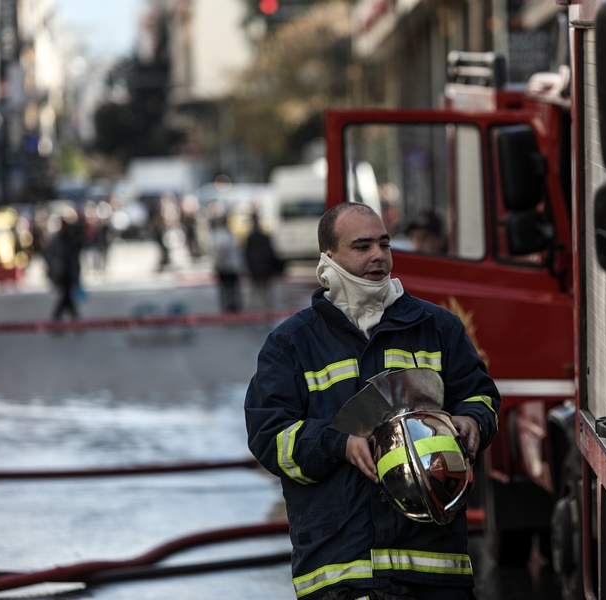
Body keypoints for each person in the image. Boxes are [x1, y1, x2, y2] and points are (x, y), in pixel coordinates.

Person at [245, 202, 500, 600]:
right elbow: (269, 438)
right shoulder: (292, 345)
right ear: (329, 257)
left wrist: (472, 421)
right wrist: (338, 444)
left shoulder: (437, 327)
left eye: (384, 244)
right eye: (362, 246)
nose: (378, 255)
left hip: (433, 567)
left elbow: (480, 396)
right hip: (342, 571)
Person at [44, 217, 83, 323]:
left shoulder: (71, 239)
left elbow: (76, 252)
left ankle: (61, 318)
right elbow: (49, 254)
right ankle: (71, 318)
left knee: (67, 296)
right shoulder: (57, 240)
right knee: (66, 296)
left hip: (69, 273)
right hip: (61, 273)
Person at [243, 213, 281, 310]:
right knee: (266, 292)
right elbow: (271, 253)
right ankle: (266, 308)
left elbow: (247, 255)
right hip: (265, 268)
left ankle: (257, 309)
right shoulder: (263, 238)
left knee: (257, 292)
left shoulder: (251, 238)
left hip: (256, 269)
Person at [211, 213, 243, 312]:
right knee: (230, 289)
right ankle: (231, 306)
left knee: (227, 289)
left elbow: (221, 250)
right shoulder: (226, 234)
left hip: (226, 267)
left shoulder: (221, 234)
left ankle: (230, 306)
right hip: (228, 267)